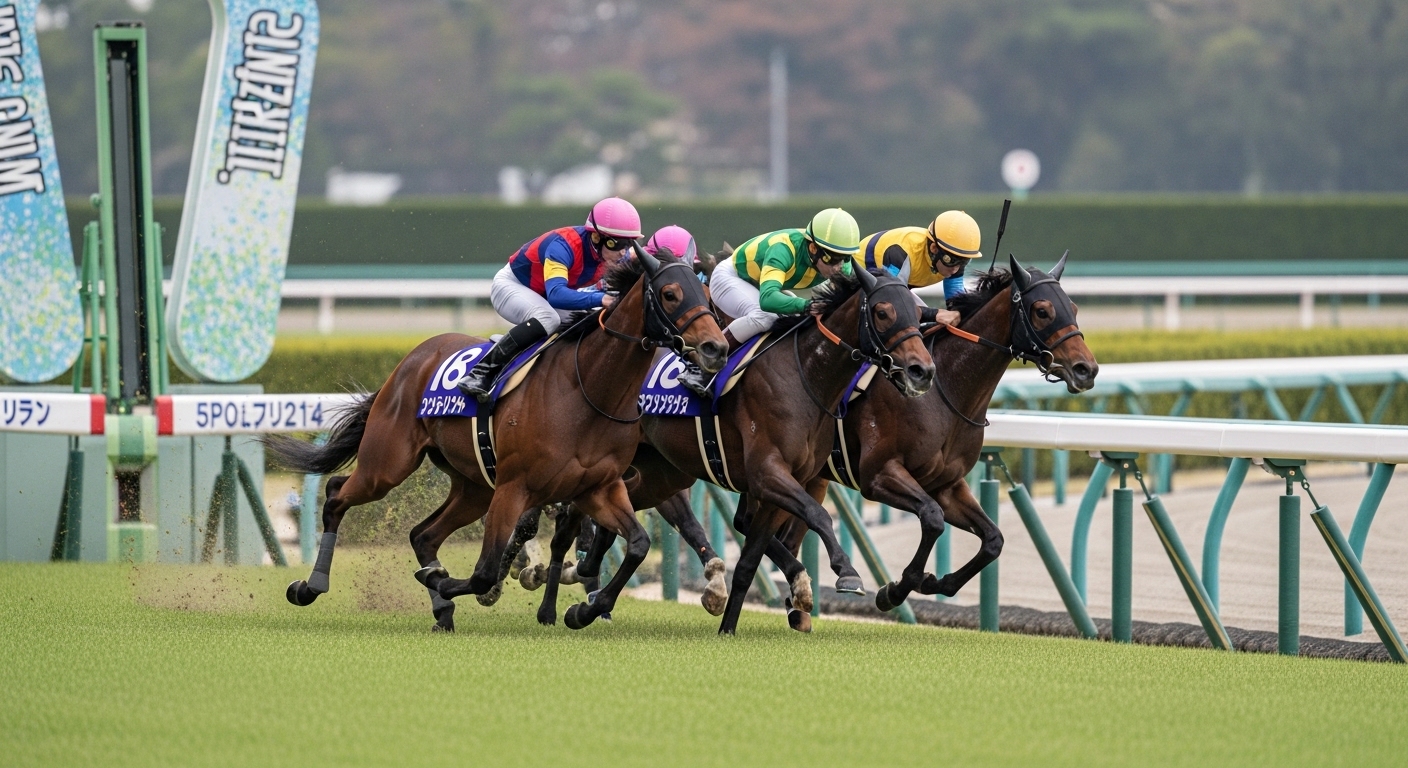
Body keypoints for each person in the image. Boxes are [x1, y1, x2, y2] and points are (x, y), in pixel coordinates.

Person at [458, 197, 642, 400]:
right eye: (618, 244)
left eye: (629, 243)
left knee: (591, 320)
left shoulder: (611, 253)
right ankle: (481, 372)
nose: (624, 251)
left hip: (544, 294)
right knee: (548, 318)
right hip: (512, 286)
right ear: (597, 238)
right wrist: (601, 299)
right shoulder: (563, 246)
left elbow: (643, 258)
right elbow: (556, 295)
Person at [709, 208, 860, 349]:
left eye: (845, 258)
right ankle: (711, 354)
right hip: (729, 277)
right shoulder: (783, 249)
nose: (838, 267)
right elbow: (767, 299)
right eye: (832, 258)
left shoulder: (840, 265)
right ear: (813, 249)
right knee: (765, 316)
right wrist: (807, 305)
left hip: (758, 283)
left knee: (797, 318)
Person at [855, 210, 982, 327]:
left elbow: (955, 299)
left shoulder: (950, 254)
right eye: (951, 260)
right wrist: (934, 314)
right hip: (859, 279)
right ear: (934, 249)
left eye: (965, 261)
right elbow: (892, 302)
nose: (956, 269)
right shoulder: (900, 254)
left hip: (891, 285)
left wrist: (960, 313)